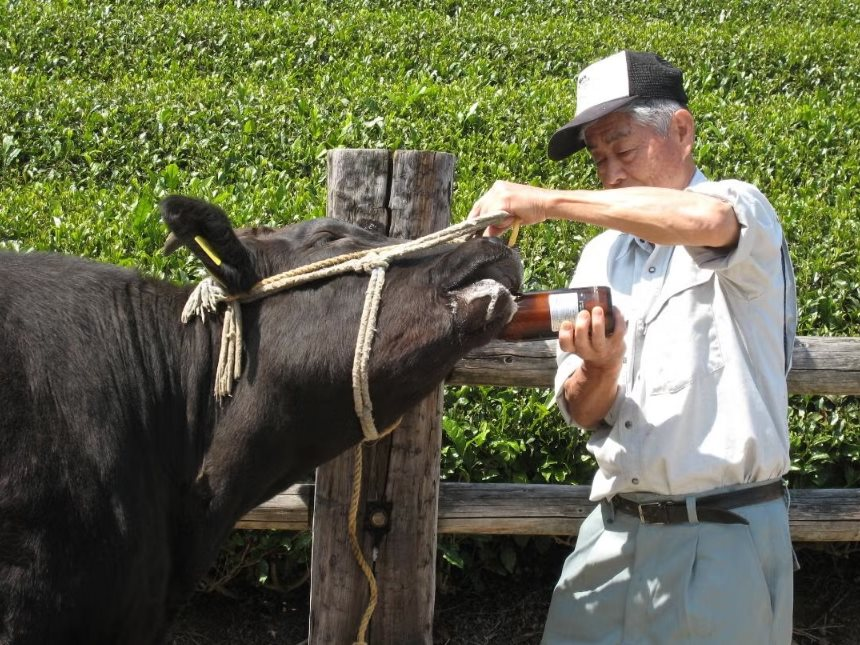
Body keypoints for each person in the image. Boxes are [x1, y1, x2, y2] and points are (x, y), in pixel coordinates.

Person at [469, 50, 798, 644]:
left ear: (681, 130)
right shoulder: (599, 256)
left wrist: (545, 202)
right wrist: (602, 366)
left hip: (726, 536)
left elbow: (703, 221)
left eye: (624, 151)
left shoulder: (740, 205)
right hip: (613, 531)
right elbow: (582, 410)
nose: (611, 174)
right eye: (600, 160)